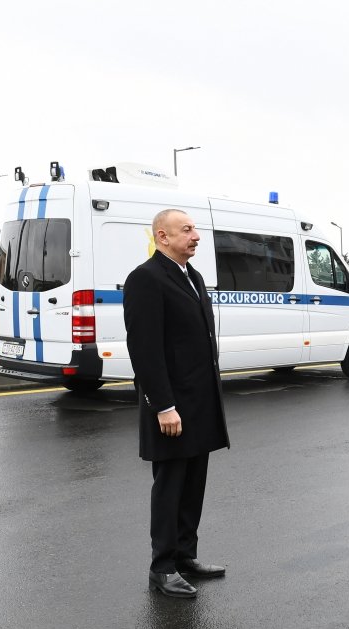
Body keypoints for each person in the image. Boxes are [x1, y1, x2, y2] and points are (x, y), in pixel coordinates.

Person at [124, 208, 230, 598]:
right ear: (162, 237)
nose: (196, 235)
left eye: (195, 229)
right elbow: (145, 349)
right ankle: (162, 567)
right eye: (187, 230)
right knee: (169, 486)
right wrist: (163, 405)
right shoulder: (145, 279)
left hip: (199, 403)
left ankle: (186, 556)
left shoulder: (193, 276)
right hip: (171, 406)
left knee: (193, 485)